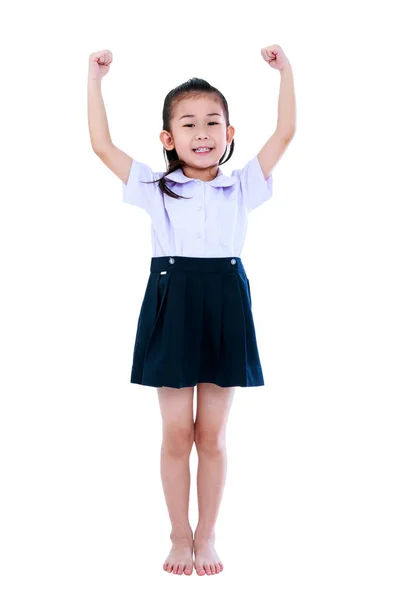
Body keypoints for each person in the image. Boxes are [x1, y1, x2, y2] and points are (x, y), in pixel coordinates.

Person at [87, 45, 296, 576]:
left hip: (226, 299)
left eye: (212, 123)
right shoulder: (156, 189)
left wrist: (285, 72)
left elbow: (285, 133)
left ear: (229, 135)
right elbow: (100, 145)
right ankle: (178, 535)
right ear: (168, 138)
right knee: (177, 431)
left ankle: (208, 535)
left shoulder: (242, 186)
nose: (201, 133)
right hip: (172, 300)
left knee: (213, 435)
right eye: (188, 124)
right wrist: (95, 79)